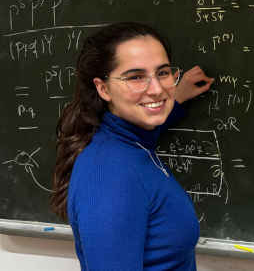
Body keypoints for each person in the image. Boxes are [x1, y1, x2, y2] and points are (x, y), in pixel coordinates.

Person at [51, 22, 214, 270]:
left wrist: (176, 97)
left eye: (163, 72)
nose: (157, 89)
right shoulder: (110, 176)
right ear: (103, 88)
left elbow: (146, 129)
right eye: (136, 77)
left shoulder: (128, 143)